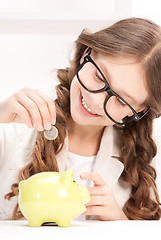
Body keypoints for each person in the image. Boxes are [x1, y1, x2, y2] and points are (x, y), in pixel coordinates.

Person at [0, 17, 161, 222]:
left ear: (139, 110)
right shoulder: (14, 124)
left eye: (120, 100)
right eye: (99, 77)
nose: (95, 100)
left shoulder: (151, 155)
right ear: (87, 53)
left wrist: (120, 223)